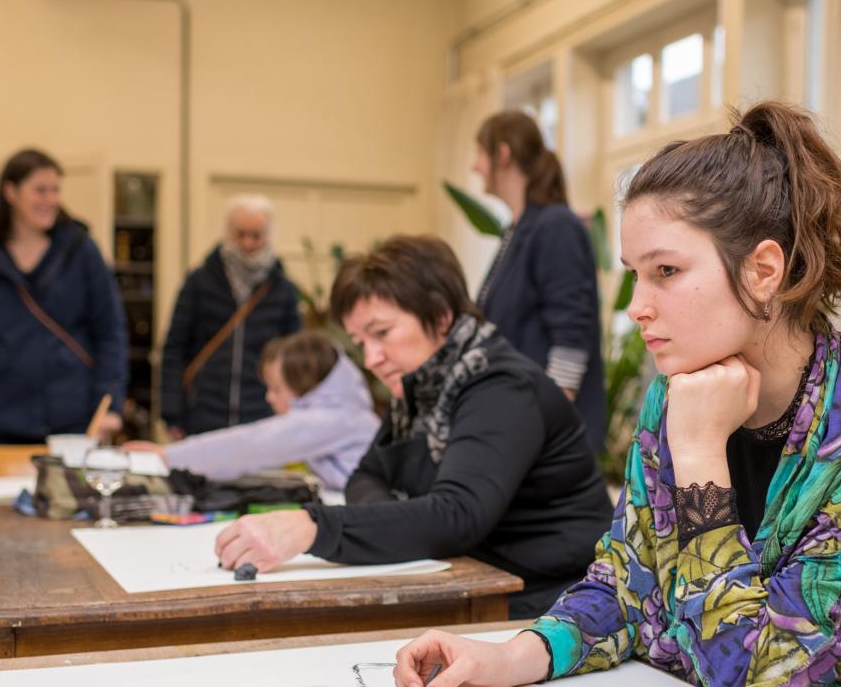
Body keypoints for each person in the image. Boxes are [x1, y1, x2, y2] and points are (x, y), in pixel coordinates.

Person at [392, 102, 841, 687]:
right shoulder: (677, 397)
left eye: (666, 272)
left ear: (763, 271)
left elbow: (755, 679)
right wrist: (511, 657)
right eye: (635, 276)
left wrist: (700, 458)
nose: (637, 308)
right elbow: (627, 584)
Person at [213, 235, 613, 618]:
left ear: (440, 317)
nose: (371, 358)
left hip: (552, 603)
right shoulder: (421, 388)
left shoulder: (501, 387)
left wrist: (311, 527)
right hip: (472, 584)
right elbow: (366, 477)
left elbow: (457, 515)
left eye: (381, 334)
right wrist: (410, 523)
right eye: (359, 341)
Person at [0, 149, 126, 445]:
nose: (50, 200)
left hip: (71, 418)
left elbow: (110, 331)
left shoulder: (81, 250)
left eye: (55, 190)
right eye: (40, 190)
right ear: (10, 192)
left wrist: (110, 405)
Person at [472, 110, 605, 453]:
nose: (475, 167)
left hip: (547, 433)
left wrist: (547, 422)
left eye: (479, 154)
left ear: (502, 154)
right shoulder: (518, 231)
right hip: (519, 421)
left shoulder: (556, 226)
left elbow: (572, 336)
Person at [126, 329, 378, 491]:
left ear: (306, 385)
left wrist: (168, 456)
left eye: (277, 389)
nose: (269, 398)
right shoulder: (346, 414)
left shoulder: (335, 419)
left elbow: (250, 445)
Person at [160, 194, 301, 438]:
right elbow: (174, 348)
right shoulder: (199, 282)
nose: (247, 243)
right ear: (227, 233)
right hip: (204, 413)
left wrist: (292, 410)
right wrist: (172, 412)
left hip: (260, 414)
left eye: (256, 235)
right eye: (240, 234)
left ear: (268, 236)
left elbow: (294, 356)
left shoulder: (283, 290)